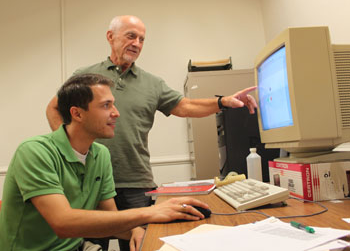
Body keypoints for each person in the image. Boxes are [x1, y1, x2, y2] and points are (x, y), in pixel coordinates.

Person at [46, 15, 257, 250]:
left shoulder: (152, 83)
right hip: (89, 181)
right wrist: (70, 153)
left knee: (142, 243)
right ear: (110, 37)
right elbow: (54, 108)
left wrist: (223, 101)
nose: (137, 43)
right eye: (130, 36)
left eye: (142, 39)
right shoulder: (86, 77)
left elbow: (185, 106)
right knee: (91, 245)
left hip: (136, 181)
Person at [0, 73, 209, 251]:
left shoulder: (100, 154)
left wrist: (136, 229)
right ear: (77, 113)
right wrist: (151, 213)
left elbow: (112, 219)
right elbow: (63, 223)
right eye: (106, 105)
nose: (116, 113)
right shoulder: (34, 152)